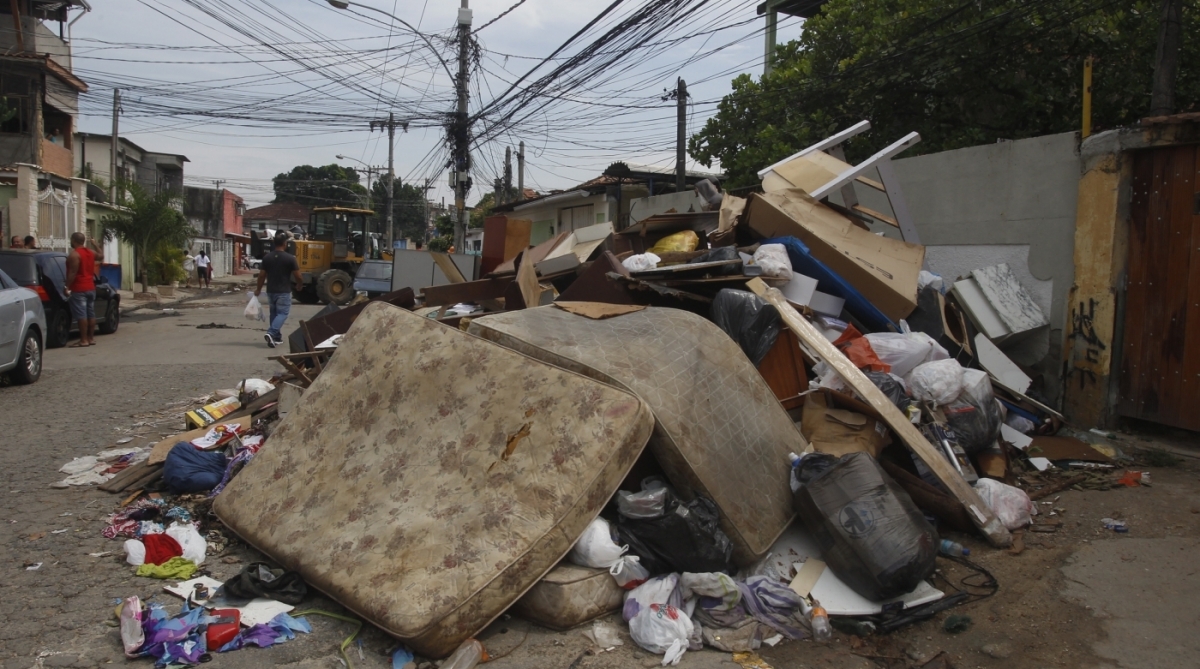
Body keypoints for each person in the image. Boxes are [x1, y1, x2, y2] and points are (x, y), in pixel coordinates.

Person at [254, 233, 302, 348]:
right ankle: (271, 332)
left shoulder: (267, 258)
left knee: (274, 313)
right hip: (284, 291)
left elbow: (261, 276)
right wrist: (300, 284)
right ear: (285, 244)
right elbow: (298, 275)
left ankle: (276, 337)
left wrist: (258, 289)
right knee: (283, 313)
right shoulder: (290, 258)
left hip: (271, 291)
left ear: (274, 244)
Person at [64, 232, 103, 347]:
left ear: (74, 241)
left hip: (79, 288)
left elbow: (72, 273)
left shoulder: (74, 255)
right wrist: (95, 244)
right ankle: (91, 338)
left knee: (82, 315)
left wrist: (67, 287)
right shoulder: (90, 252)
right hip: (91, 287)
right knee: (91, 313)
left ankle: (83, 340)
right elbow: (101, 256)